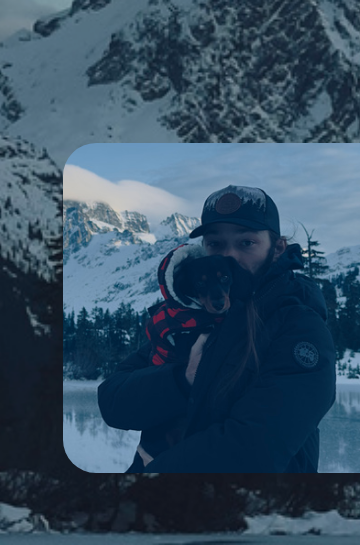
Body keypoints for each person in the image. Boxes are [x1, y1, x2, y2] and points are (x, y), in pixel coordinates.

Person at [98, 184, 336, 472]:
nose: (229, 256)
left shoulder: (300, 326)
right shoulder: (188, 319)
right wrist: (181, 380)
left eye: (246, 242)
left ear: (277, 249)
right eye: (215, 244)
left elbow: (255, 447)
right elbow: (112, 402)